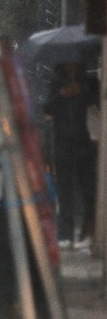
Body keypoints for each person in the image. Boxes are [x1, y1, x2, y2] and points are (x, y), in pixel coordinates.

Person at [43, 62, 99, 249]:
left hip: (85, 144)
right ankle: (65, 234)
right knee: (64, 190)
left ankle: (86, 232)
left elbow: (98, 103)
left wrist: (80, 92)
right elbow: (47, 108)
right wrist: (62, 95)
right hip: (63, 144)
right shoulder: (57, 83)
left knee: (87, 190)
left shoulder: (89, 82)